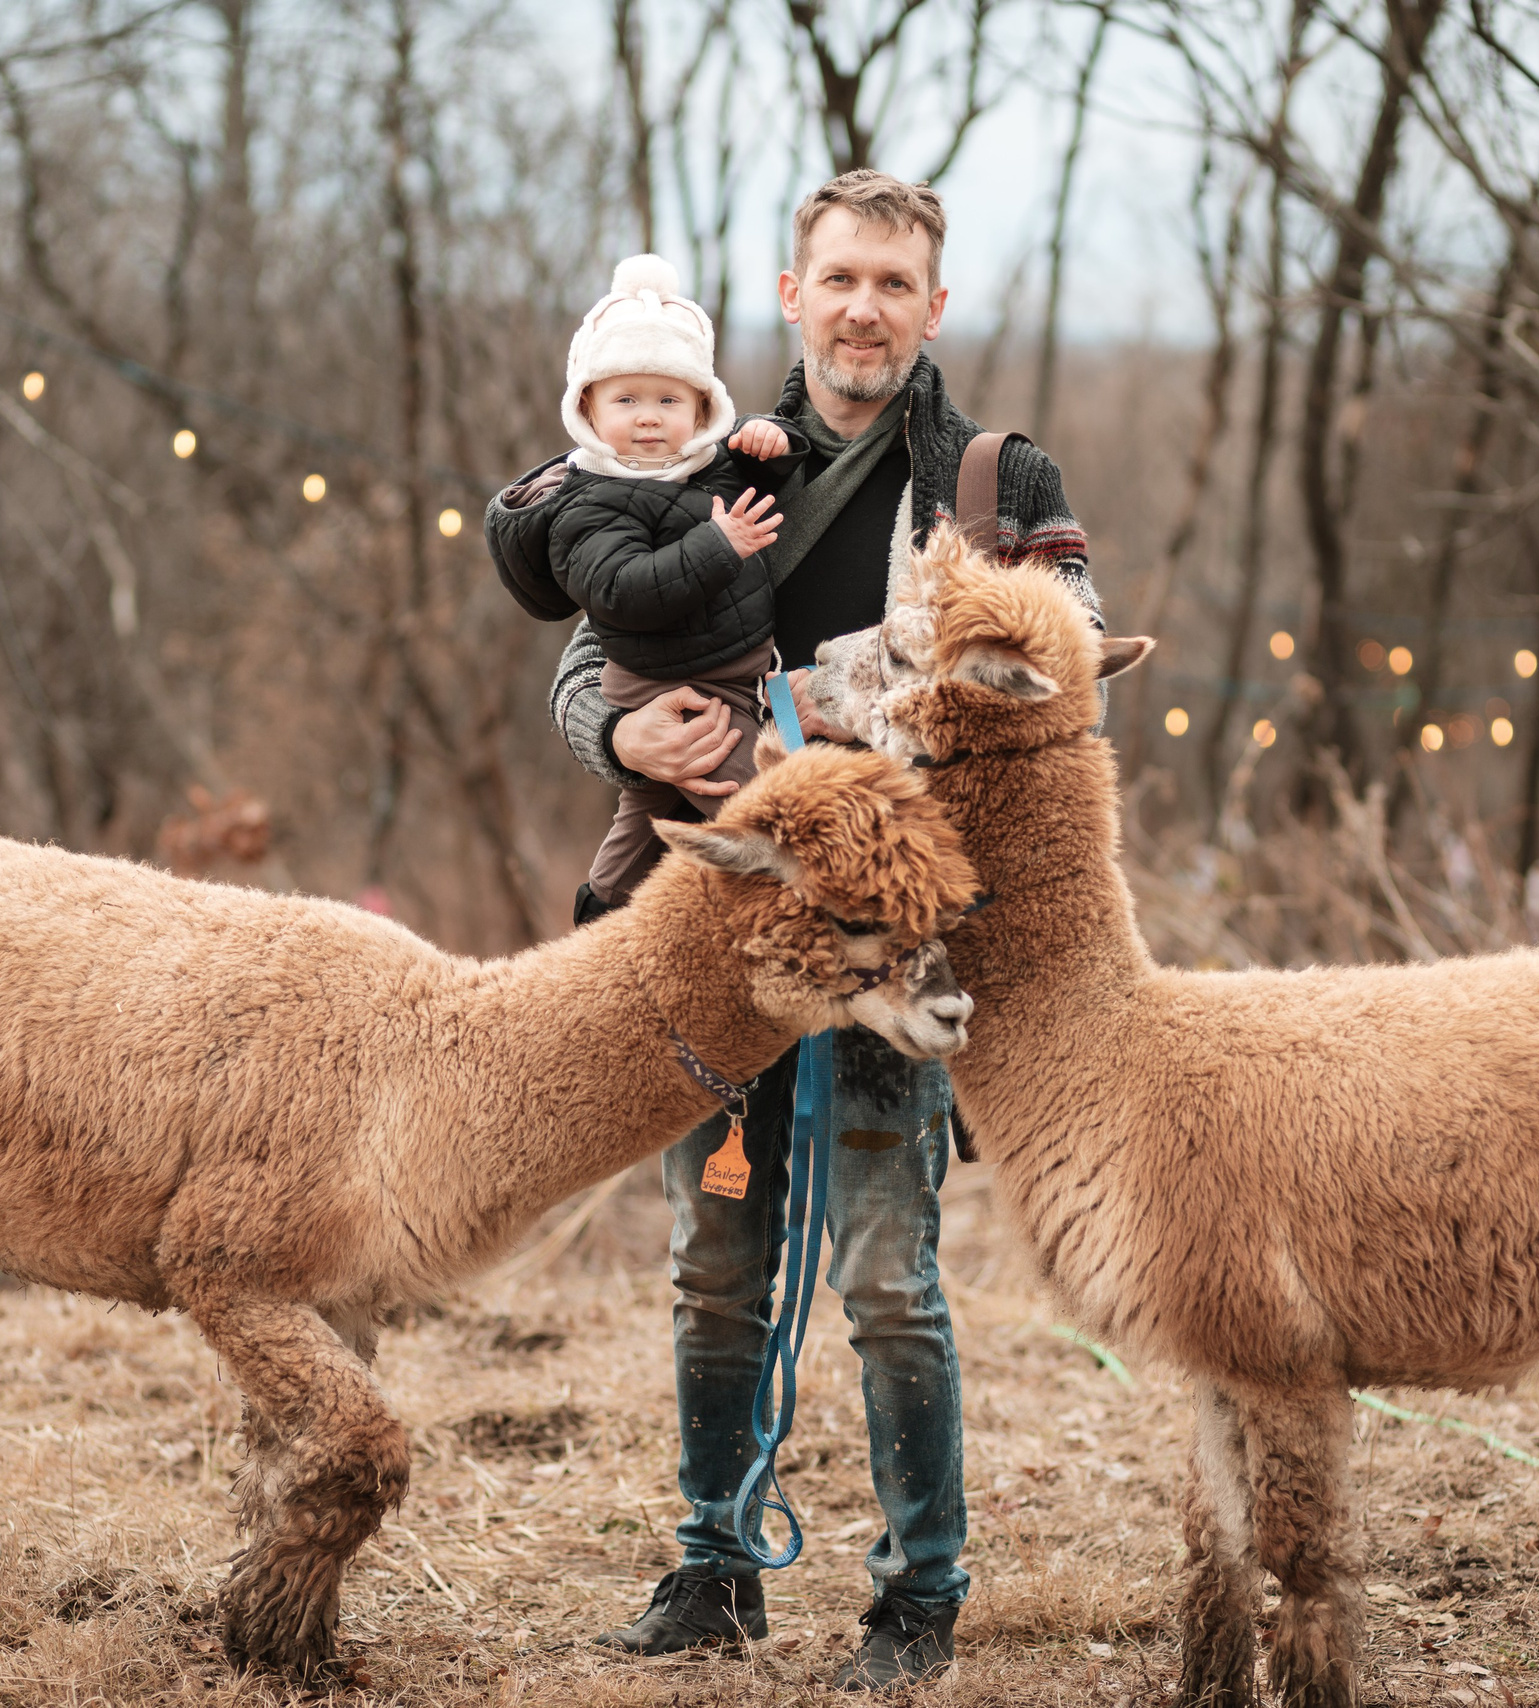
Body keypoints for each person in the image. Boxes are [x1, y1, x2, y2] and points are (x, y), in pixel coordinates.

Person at [518, 171, 1103, 1692]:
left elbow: (1075, 655)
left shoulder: (993, 482)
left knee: (890, 1278)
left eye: (892, 284)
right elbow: (595, 656)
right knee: (716, 1258)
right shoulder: (698, 458)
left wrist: (931, 688)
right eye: (837, 278)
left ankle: (921, 1593)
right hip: (713, 930)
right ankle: (716, 1564)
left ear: (933, 306)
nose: (862, 308)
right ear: (794, 294)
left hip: (890, 940)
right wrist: (618, 745)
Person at [485, 254, 807, 917]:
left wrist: (774, 444)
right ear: (588, 408)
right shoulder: (584, 505)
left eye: (669, 401)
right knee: (771, 822)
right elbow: (624, 591)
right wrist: (719, 547)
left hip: (717, 669)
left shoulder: (698, 467)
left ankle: (602, 916)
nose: (650, 419)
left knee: (641, 824)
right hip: (680, 687)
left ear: (701, 407)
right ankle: (808, 911)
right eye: (626, 400)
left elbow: (750, 490)